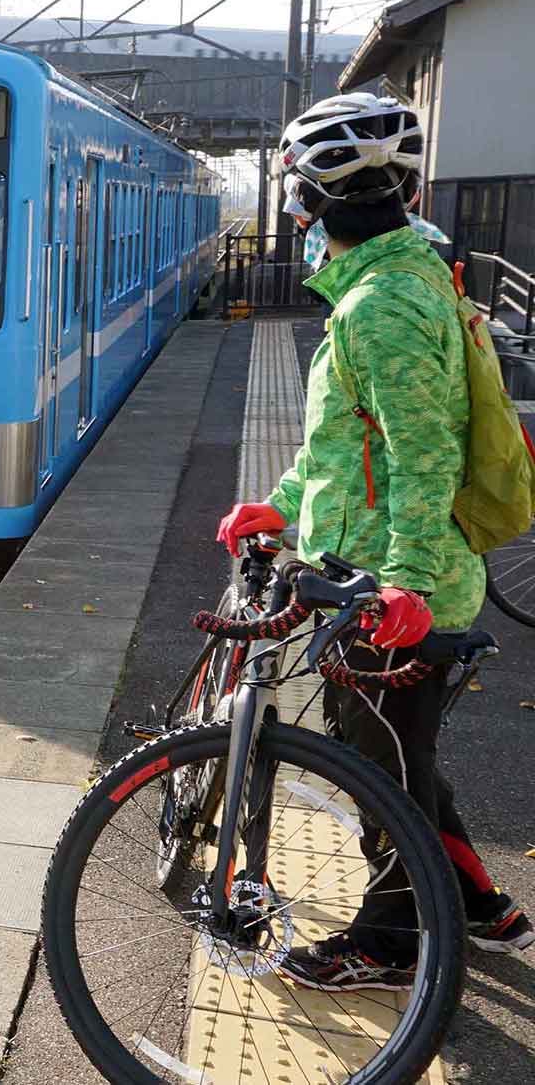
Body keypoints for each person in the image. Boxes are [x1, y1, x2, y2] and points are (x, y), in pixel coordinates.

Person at [215, 92, 532, 993]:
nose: (297, 217)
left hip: (387, 584)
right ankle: (480, 906)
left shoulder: (380, 305)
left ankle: (391, 945)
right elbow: (354, 447)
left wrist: (405, 586)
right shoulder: (410, 277)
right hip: (387, 564)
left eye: (297, 198)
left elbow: (425, 458)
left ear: (313, 202)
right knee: (405, 757)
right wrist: (279, 505)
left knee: (376, 772)